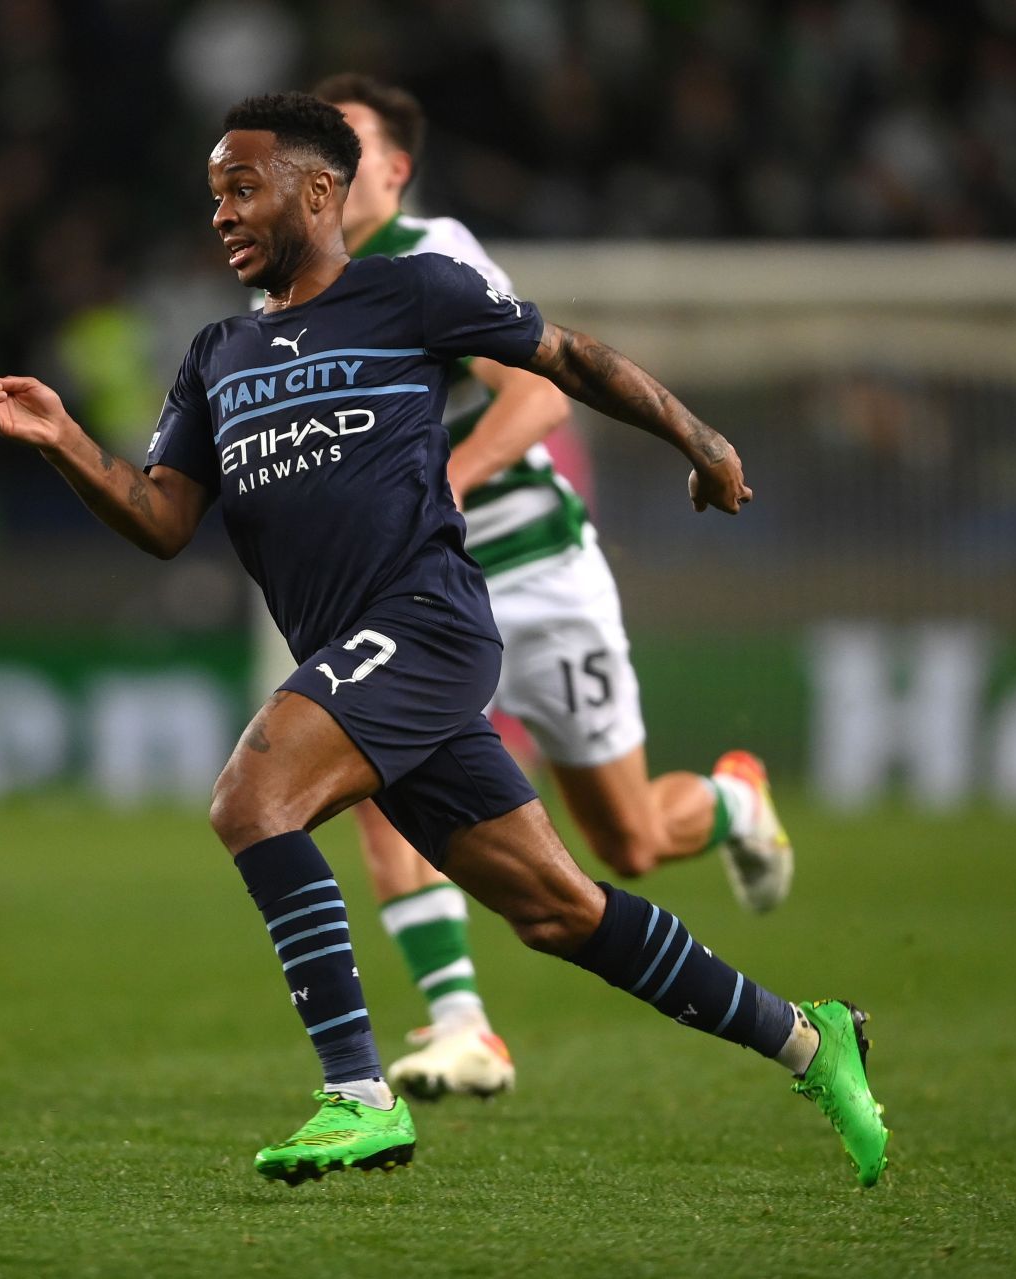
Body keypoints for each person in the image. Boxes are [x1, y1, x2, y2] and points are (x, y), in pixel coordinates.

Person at [0, 93, 888, 1189]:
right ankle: (808, 1035)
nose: (221, 214)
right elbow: (164, 519)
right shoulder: (216, 354)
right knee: (560, 911)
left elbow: (573, 361)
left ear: (320, 192)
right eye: (214, 194)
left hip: (425, 622)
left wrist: (700, 438)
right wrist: (64, 436)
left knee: (249, 801)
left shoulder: (410, 292)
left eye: (242, 188)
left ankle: (358, 1094)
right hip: (367, 653)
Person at [310, 72, 794, 1103]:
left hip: (532, 573)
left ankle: (731, 799)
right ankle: (463, 1026)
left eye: (350, 144)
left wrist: (438, 483)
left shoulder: (429, 252)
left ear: (395, 170)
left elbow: (535, 401)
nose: (331, 164)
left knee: (626, 842)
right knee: (373, 784)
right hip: (423, 596)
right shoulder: (302, 290)